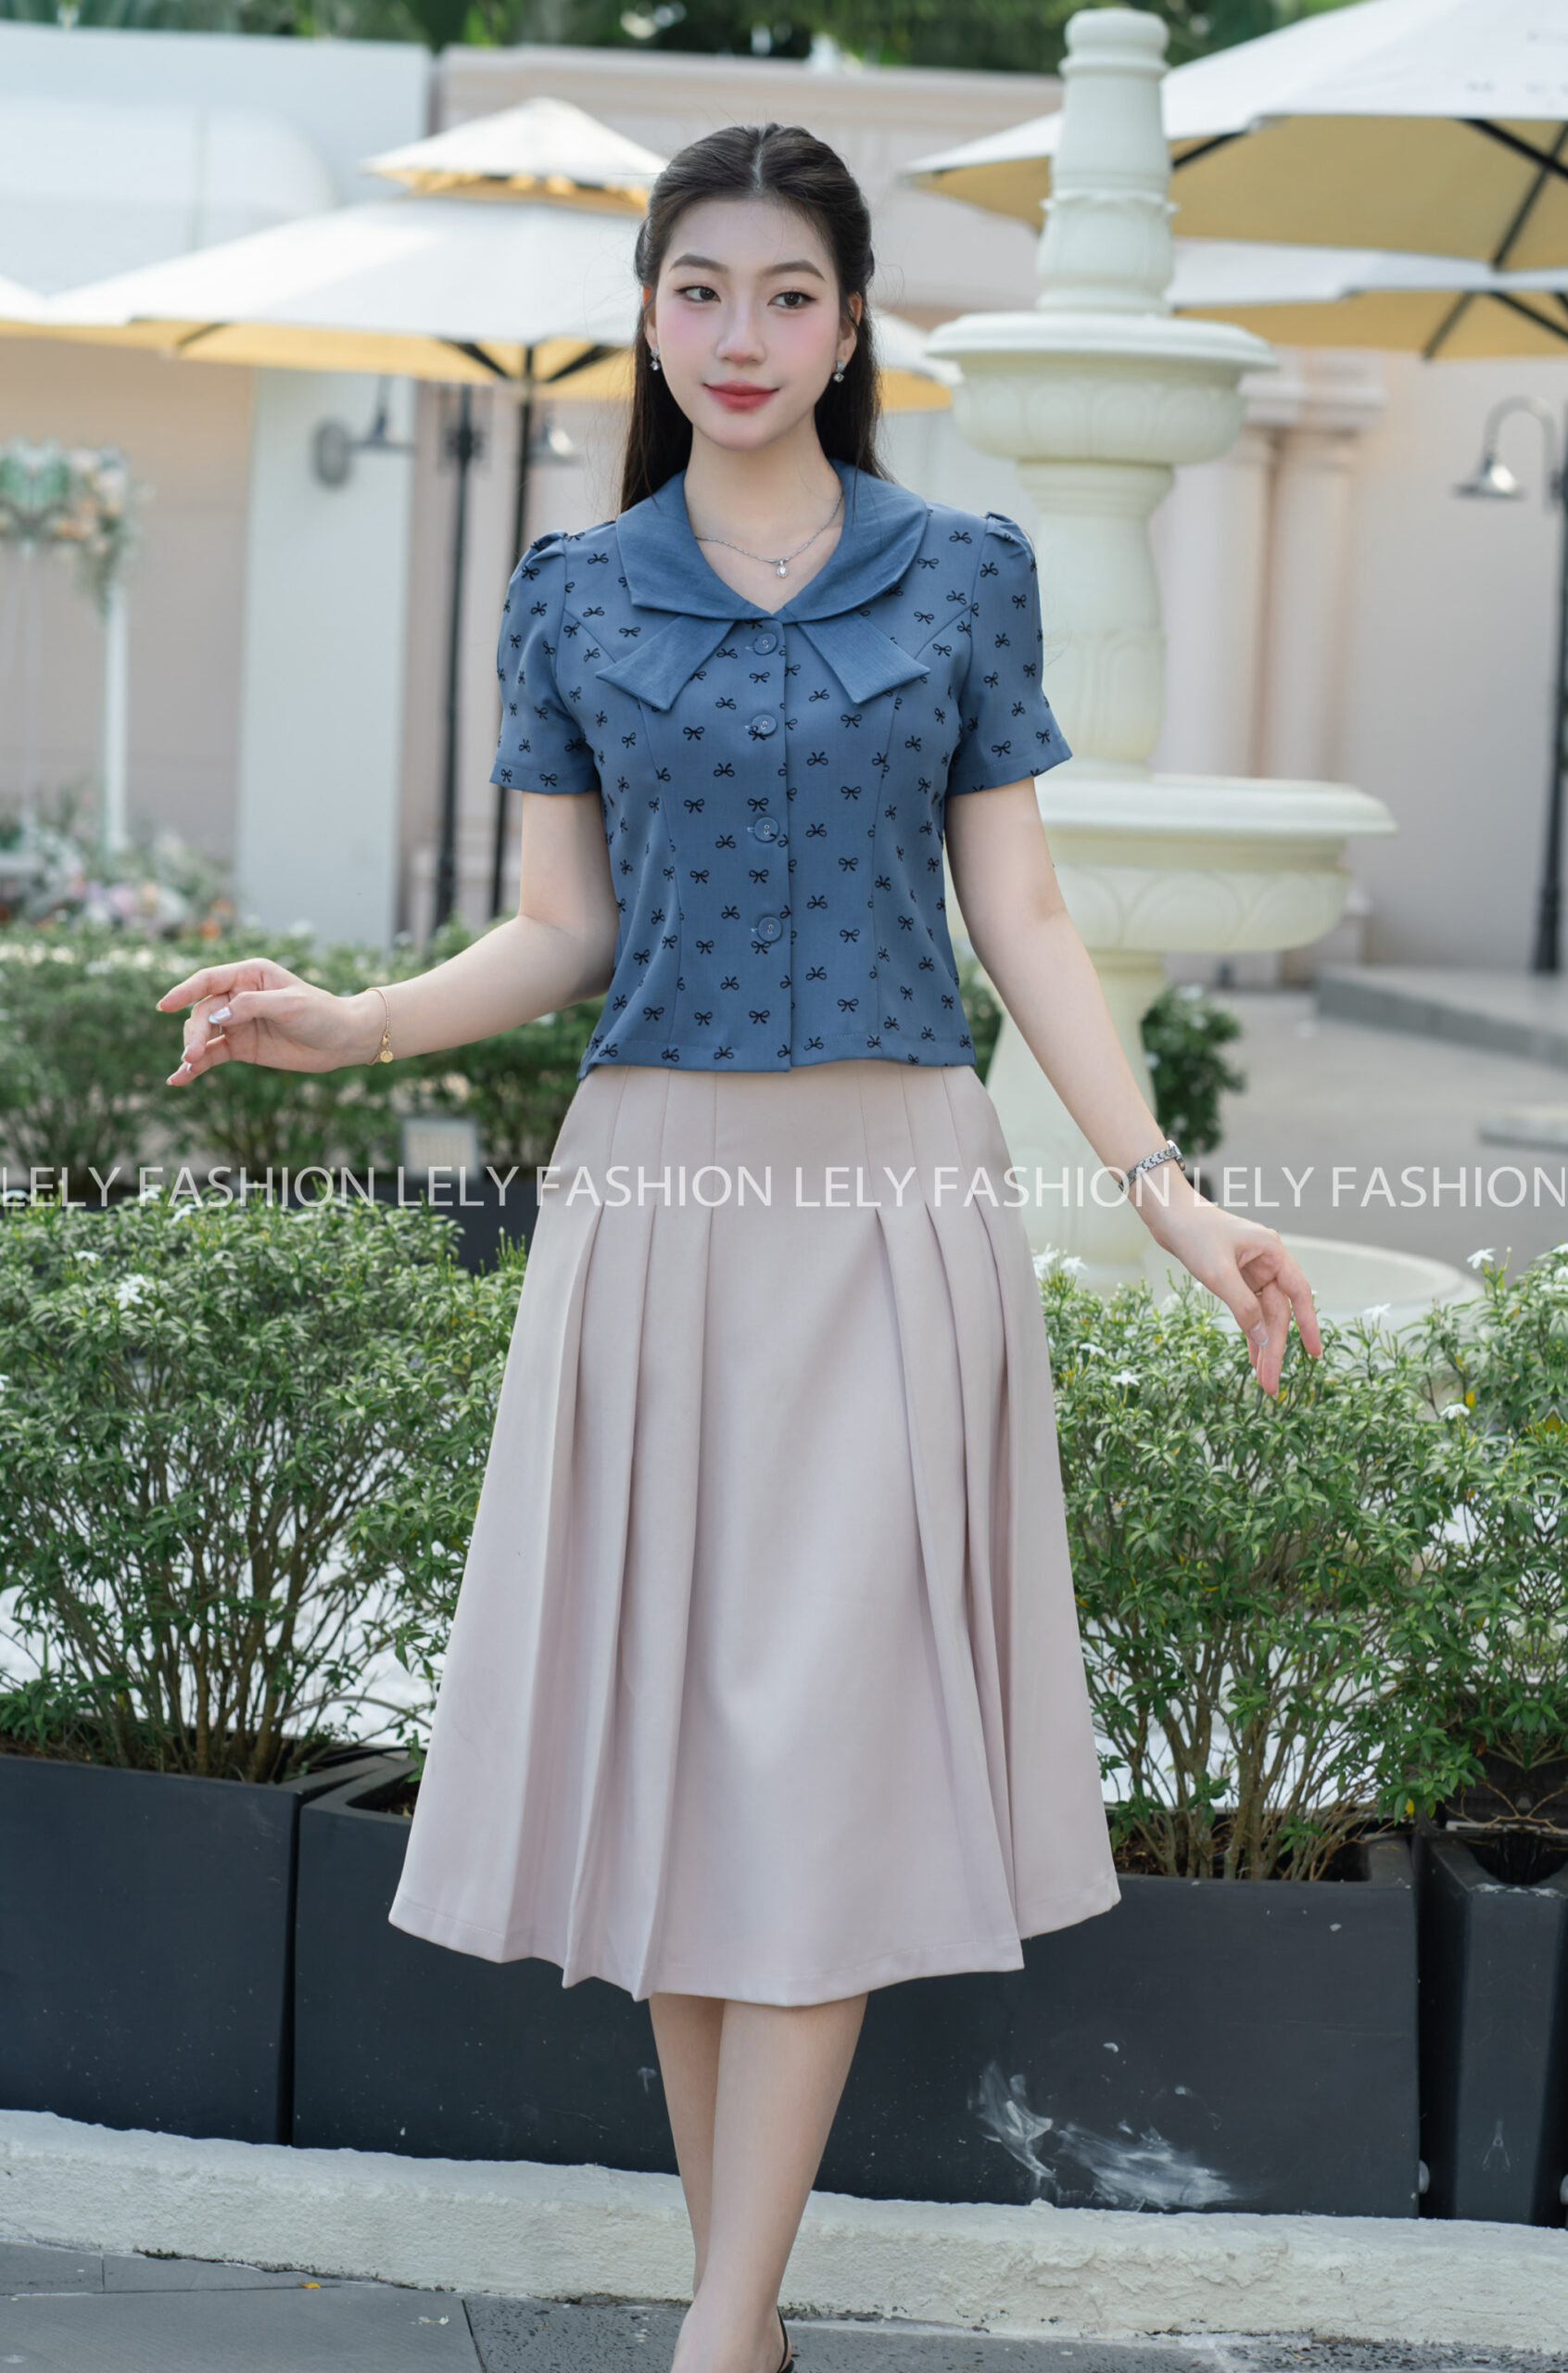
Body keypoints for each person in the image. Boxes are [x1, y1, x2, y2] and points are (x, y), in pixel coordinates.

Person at [158, 121, 1321, 2373]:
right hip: (656, 1208)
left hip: (896, 1205)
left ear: (854, 321)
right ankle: (743, 2312)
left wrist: (1172, 1196)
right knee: (704, 1759)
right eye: (700, 288)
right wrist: (354, 1020)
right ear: (650, 312)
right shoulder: (574, 592)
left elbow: (1027, 912)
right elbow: (560, 925)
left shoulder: (964, 571)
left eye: (789, 292)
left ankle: (717, 2328)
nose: (742, 333)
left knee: (822, 1749)